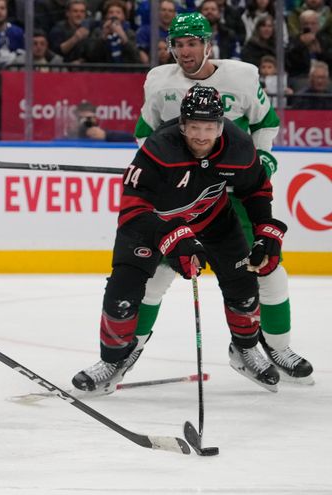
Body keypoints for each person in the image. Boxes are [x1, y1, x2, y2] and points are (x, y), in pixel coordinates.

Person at [132, 12, 314, 386]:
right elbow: (144, 133)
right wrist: (161, 173)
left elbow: (267, 121)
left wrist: (261, 158)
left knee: (266, 270)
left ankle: (270, 346)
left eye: (193, 43)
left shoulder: (242, 75)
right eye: (179, 44)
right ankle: (124, 350)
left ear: (208, 44)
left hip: (235, 194)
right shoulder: (158, 82)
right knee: (153, 276)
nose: (185, 51)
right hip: (184, 201)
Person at [73, 85, 287, 395]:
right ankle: (112, 361)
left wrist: (265, 229)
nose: (202, 135)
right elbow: (134, 209)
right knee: (122, 294)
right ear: (182, 125)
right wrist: (172, 236)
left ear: (221, 125)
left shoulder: (238, 148)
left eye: (210, 127)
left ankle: (244, 350)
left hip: (213, 220)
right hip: (150, 225)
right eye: (195, 127)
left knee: (243, 287)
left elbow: (255, 189)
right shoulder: (159, 149)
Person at [68, 100, 134, 141]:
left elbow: (131, 137)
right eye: (82, 118)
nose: (86, 122)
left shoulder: (103, 133)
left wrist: (106, 136)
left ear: (95, 118)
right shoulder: (71, 135)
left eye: (90, 118)